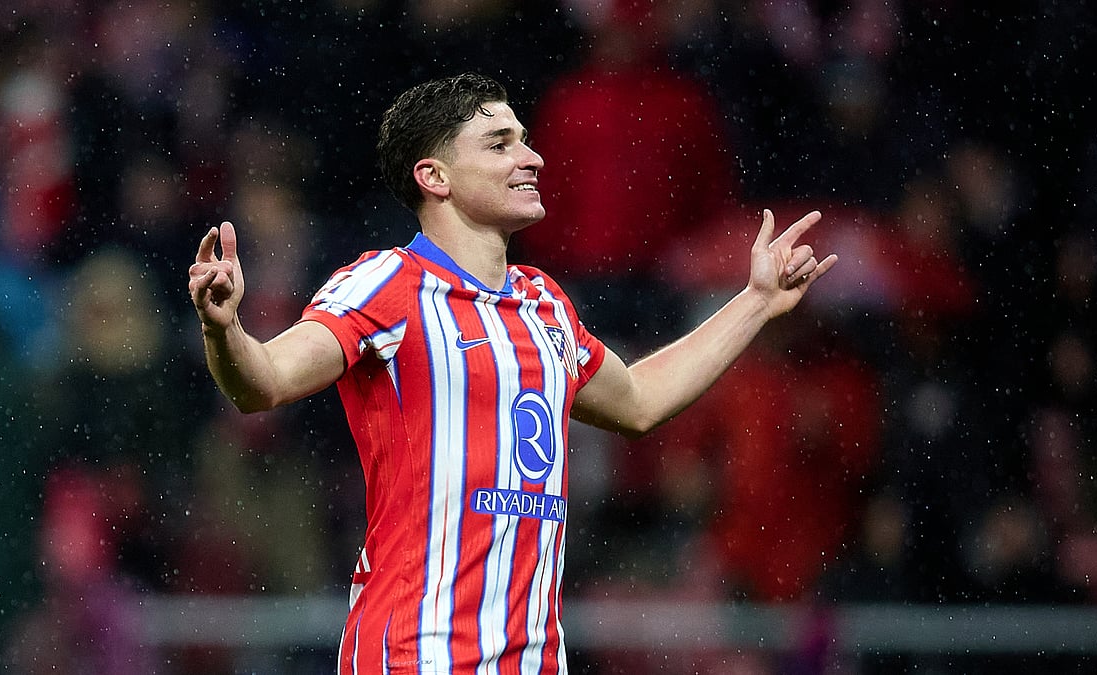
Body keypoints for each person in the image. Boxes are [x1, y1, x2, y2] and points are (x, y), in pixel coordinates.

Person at [187, 72, 837, 674]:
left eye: (525, 140)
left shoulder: (544, 304)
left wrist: (754, 302)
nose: (533, 158)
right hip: (418, 652)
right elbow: (265, 380)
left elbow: (639, 399)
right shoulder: (386, 284)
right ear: (434, 176)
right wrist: (225, 329)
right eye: (501, 144)